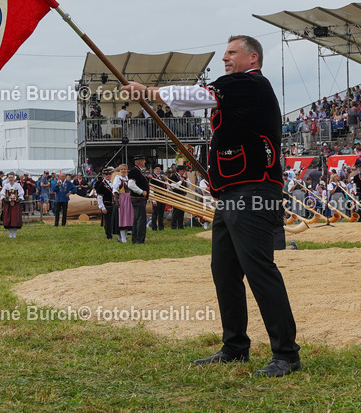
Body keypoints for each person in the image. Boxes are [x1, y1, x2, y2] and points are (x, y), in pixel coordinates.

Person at [123, 35, 300, 377]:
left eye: (232, 53)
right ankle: (235, 346)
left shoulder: (250, 85)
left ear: (253, 58)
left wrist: (148, 91)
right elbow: (200, 104)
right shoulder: (236, 92)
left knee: (259, 270)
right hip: (231, 194)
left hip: (254, 191)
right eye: (225, 54)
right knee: (225, 271)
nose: (225, 59)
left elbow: (199, 95)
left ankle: (286, 354)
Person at [128, 156, 150, 244]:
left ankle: (136, 239)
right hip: (138, 198)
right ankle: (139, 240)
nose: (145, 162)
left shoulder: (139, 172)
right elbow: (130, 185)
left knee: (137, 218)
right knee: (140, 219)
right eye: (143, 160)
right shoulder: (134, 171)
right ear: (140, 162)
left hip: (139, 199)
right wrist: (141, 192)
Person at [0, 174, 25, 239]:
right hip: (8, 204)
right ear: (7, 178)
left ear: (14, 178)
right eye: (9, 177)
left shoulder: (17, 185)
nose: (11, 179)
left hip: (16, 204)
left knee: (15, 218)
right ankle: (10, 235)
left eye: (12, 177)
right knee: (8, 218)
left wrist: (16, 200)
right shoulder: (6, 185)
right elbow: (2, 194)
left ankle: (14, 235)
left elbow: (21, 193)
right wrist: (7, 200)